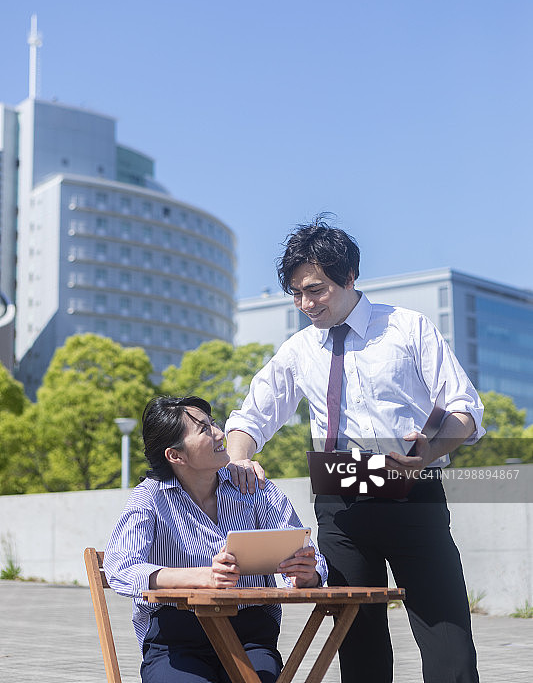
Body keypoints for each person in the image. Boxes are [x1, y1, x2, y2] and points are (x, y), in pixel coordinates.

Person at [225, 218, 485, 683]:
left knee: (448, 642)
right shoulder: (299, 349)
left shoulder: (408, 329)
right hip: (339, 502)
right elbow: (249, 419)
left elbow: (465, 410)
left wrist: (431, 451)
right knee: (358, 646)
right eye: (297, 293)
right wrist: (240, 455)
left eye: (317, 289)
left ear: (349, 276)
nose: (306, 304)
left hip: (412, 489)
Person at [104, 395, 328, 683]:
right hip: (177, 641)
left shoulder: (252, 485)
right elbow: (119, 569)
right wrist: (202, 577)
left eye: (213, 424)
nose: (221, 433)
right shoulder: (149, 498)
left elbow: (310, 555)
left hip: (250, 637)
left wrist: (305, 576)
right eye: (204, 430)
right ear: (175, 456)